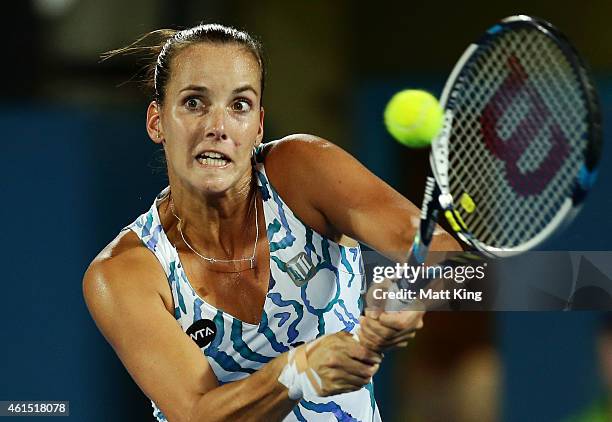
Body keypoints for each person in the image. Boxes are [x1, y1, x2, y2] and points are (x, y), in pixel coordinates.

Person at [83, 23, 460, 422]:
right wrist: (297, 373)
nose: (218, 127)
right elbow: (197, 414)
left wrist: (409, 294)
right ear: (157, 121)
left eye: (239, 106)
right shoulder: (124, 272)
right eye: (194, 103)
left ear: (258, 125)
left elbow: (439, 247)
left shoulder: (301, 170)